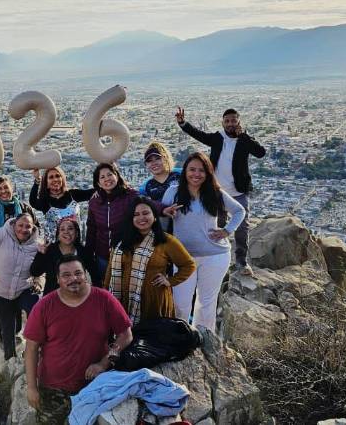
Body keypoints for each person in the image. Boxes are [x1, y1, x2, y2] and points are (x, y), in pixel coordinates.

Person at [24, 256, 134, 424]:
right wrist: (32, 387)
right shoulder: (44, 306)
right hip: (53, 388)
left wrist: (104, 363)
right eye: (66, 275)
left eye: (78, 273)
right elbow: (31, 348)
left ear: (85, 274)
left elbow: (125, 335)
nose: (73, 279)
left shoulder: (104, 299)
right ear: (58, 279)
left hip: (93, 386)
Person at [175, 107, 266, 276]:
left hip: (239, 191)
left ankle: (241, 261)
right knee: (217, 225)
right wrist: (182, 123)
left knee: (242, 227)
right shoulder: (218, 138)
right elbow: (199, 135)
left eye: (233, 120)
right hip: (217, 192)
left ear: (239, 122)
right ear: (222, 123)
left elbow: (260, 153)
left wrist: (244, 136)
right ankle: (216, 258)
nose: (230, 124)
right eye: (227, 121)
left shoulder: (244, 140)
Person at [164, 152, 246, 332]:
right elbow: (162, 222)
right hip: (183, 257)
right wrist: (165, 213)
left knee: (206, 304)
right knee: (180, 304)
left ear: (208, 173)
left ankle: (203, 340)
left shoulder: (215, 193)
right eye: (192, 169)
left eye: (201, 170)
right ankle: (181, 337)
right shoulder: (173, 192)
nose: (196, 174)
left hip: (214, 255)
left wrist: (227, 230)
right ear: (185, 171)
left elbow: (239, 211)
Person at [104, 196, 196, 325]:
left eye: (146, 213)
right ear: (131, 219)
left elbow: (188, 265)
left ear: (155, 216)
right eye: (136, 215)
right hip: (122, 299)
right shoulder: (121, 241)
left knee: (153, 335)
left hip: (153, 301)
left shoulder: (166, 241)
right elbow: (110, 270)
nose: (141, 218)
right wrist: (106, 294)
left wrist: (170, 281)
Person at [0, 206, 43, 360]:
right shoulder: (1, 235)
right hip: (1, 291)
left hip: (23, 289)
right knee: (8, 327)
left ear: (33, 228)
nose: (23, 229)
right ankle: (10, 358)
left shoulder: (36, 245)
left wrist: (38, 281)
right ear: (13, 225)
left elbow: (40, 268)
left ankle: (35, 347)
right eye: (20, 225)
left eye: (28, 226)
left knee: (36, 308)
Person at [86, 163, 166, 282]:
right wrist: (88, 254)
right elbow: (91, 229)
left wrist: (163, 209)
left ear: (117, 176)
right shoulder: (94, 202)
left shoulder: (129, 196)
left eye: (110, 174)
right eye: (102, 177)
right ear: (98, 183)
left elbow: (147, 203)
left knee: (125, 287)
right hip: (102, 256)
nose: (107, 179)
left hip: (126, 254)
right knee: (104, 287)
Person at [30, 217, 98, 294]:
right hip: (53, 296)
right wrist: (40, 254)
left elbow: (95, 276)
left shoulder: (84, 252)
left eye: (70, 229)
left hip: (78, 296)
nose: (66, 232)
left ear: (77, 233)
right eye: (62, 229)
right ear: (58, 235)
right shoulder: (49, 250)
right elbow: (35, 272)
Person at [29, 166, 95, 243]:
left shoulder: (72, 195)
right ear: (46, 183)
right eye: (51, 177)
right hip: (53, 246)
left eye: (57, 176)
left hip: (74, 244)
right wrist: (37, 180)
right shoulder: (45, 201)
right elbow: (33, 202)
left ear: (62, 179)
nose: (55, 179)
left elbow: (93, 193)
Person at [138, 141, 183, 231]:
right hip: (164, 229)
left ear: (165, 158)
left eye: (157, 159)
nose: (154, 163)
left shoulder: (180, 175)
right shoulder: (146, 187)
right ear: (146, 165)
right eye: (149, 161)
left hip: (186, 222)